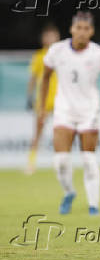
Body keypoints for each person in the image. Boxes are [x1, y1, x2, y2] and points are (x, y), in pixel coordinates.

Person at [39, 11, 100, 215]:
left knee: (88, 158)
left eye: (86, 28)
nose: (82, 32)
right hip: (64, 110)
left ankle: (93, 206)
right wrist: (42, 108)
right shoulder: (56, 51)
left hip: (89, 111)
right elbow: (46, 78)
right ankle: (69, 192)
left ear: (91, 31)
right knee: (60, 161)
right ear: (71, 29)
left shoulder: (98, 54)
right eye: (78, 28)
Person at [25, 24, 60, 175]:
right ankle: (31, 163)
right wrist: (29, 96)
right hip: (43, 101)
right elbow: (33, 78)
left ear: (57, 37)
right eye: (48, 36)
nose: (50, 38)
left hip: (60, 100)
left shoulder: (62, 55)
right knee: (38, 133)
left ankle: (60, 164)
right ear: (43, 38)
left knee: (60, 133)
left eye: (53, 35)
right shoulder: (39, 56)